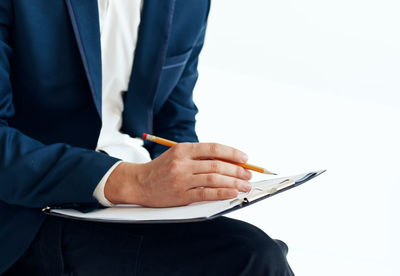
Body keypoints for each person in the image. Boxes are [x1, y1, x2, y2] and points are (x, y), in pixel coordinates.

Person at [0, 0, 294, 275]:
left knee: (258, 252)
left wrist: (194, 185)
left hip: (135, 209)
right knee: (252, 257)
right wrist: (132, 181)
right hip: (26, 212)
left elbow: (172, 119)